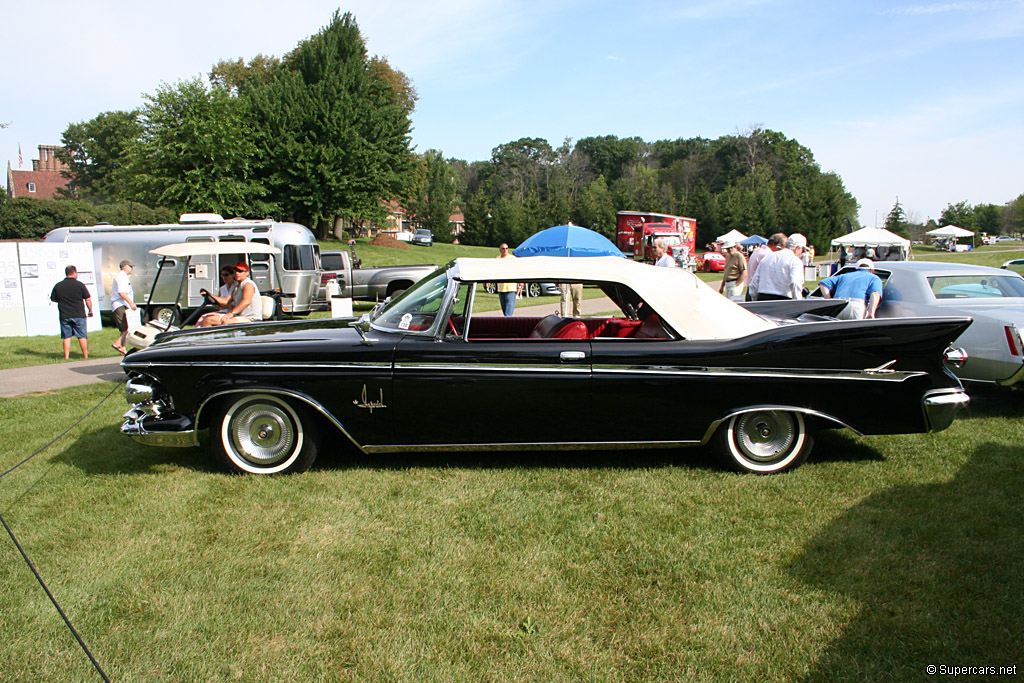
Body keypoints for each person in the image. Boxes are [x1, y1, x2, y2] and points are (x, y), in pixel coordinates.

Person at [49, 265, 94, 360]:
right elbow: (88, 299)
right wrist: (90, 310)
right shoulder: (80, 285)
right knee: (82, 336)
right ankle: (85, 356)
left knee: (67, 337)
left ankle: (66, 357)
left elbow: (53, 299)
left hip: (65, 315)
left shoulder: (58, 285)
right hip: (79, 314)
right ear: (74, 273)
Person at [199, 262, 263, 326]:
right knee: (208, 319)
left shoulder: (248, 284)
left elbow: (246, 302)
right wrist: (210, 295)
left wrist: (231, 313)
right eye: (235, 271)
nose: (237, 273)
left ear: (247, 273)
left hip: (250, 318)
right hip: (240, 316)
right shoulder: (237, 286)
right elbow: (226, 301)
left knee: (221, 321)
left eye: (240, 271)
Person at [817, 258, 884, 319]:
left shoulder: (844, 276)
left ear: (856, 268)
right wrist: (871, 313)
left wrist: (829, 301)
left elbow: (823, 284)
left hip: (837, 306)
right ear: (873, 270)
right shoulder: (874, 278)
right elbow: (875, 293)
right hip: (856, 305)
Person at [748, 234, 808, 301]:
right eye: (802, 250)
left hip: (763, 298)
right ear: (798, 248)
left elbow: (754, 283)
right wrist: (798, 301)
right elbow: (795, 283)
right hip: (783, 300)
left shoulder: (768, 257)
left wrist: (755, 299)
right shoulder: (795, 260)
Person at [745, 233, 786, 301]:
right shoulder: (768, 255)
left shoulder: (758, 251)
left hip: (751, 288)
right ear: (779, 245)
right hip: (758, 291)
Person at [110, 259, 138, 355]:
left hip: (121, 305)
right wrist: (131, 303)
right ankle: (117, 343)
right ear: (125, 266)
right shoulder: (122, 277)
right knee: (126, 328)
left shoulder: (123, 277)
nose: (132, 269)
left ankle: (123, 347)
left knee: (125, 328)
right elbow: (122, 293)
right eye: (131, 267)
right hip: (120, 305)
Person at [493, 243, 522, 317]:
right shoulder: (497, 259)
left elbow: (518, 270)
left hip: (510, 287)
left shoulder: (512, 259)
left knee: (508, 312)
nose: (505, 250)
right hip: (501, 288)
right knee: (504, 309)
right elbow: (494, 271)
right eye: (503, 248)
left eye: (506, 248)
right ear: (500, 250)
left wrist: (520, 281)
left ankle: (507, 325)